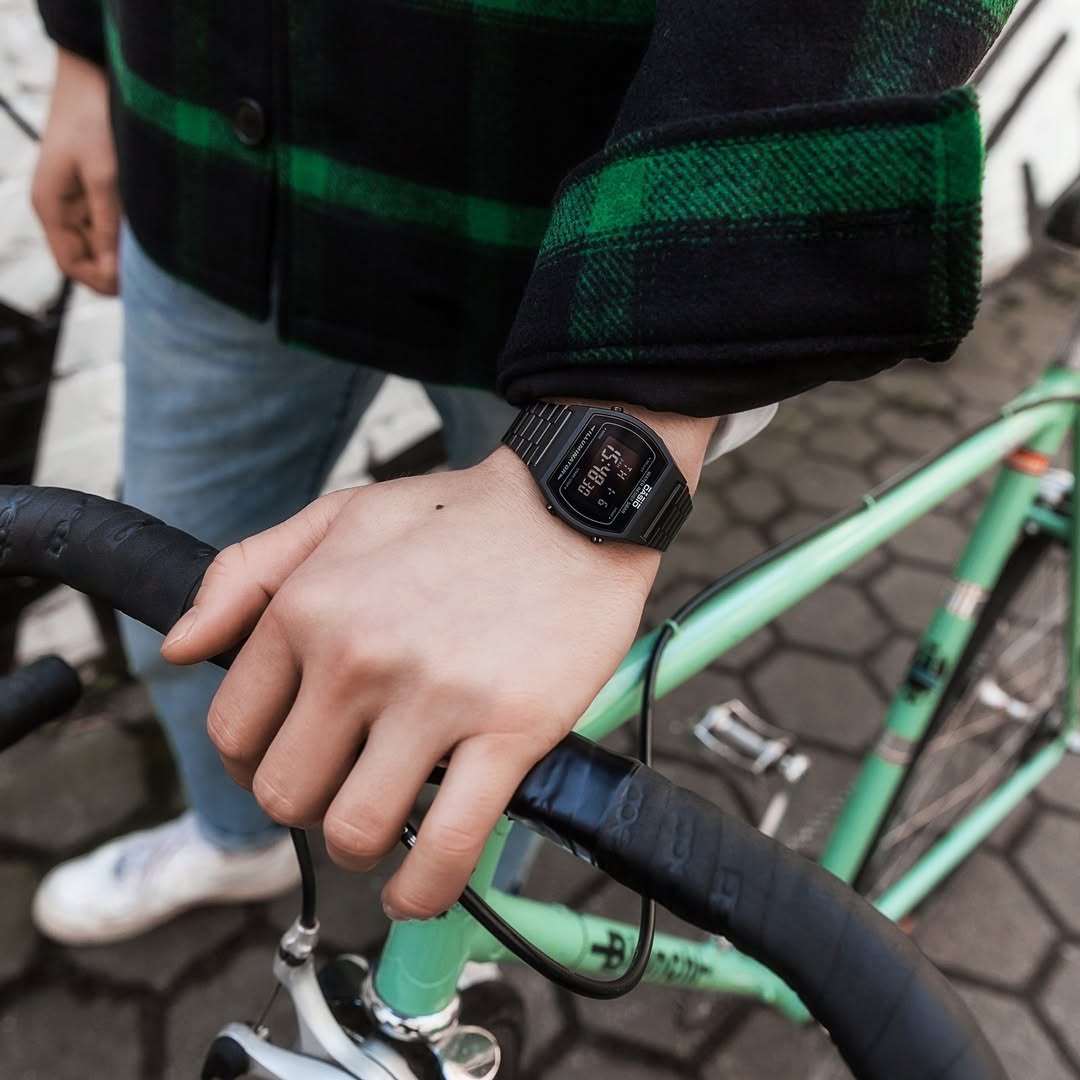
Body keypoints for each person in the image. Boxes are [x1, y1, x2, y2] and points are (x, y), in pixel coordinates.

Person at [28, 0, 1014, 943]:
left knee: (510, 706)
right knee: (175, 600)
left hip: (553, 222)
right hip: (208, 166)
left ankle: (471, 935)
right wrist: (83, 48)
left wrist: (633, 398)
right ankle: (235, 839)